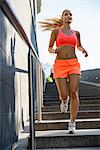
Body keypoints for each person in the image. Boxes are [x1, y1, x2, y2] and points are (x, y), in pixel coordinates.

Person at [39, 9, 88, 134]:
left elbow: (78, 45)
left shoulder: (76, 33)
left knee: (74, 92)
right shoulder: (56, 32)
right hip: (60, 65)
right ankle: (64, 101)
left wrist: (83, 50)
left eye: (70, 14)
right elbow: (49, 47)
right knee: (64, 95)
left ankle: (72, 122)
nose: (69, 16)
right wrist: (54, 50)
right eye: (66, 14)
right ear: (62, 17)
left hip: (73, 64)